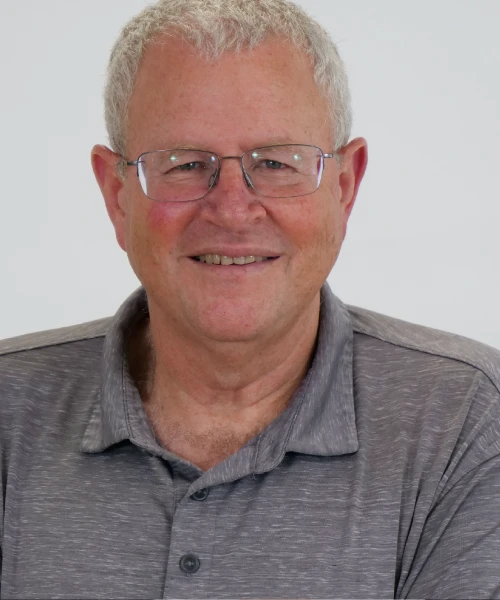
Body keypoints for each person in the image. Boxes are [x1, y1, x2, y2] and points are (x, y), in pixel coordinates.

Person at [0, 0, 499, 598]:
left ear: (345, 187)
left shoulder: (468, 423)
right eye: (184, 164)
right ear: (116, 195)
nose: (233, 210)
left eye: (276, 163)